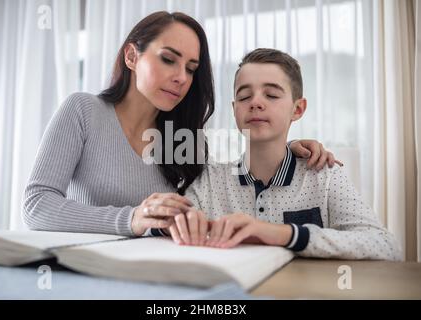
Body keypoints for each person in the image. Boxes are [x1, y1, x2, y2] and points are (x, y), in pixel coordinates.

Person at [23, 12, 338, 238]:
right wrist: (131, 218)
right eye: (168, 59)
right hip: (83, 271)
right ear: (132, 56)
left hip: (154, 278)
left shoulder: (182, 139)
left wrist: (285, 151)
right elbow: (37, 205)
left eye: (191, 68)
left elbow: (226, 188)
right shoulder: (83, 110)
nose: (181, 78)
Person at [166, 48, 402, 261]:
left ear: (297, 109)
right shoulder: (209, 180)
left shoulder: (324, 176)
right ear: (234, 109)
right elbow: (172, 227)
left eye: (271, 95)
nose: (256, 102)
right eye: (245, 96)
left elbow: (386, 246)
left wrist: (285, 234)